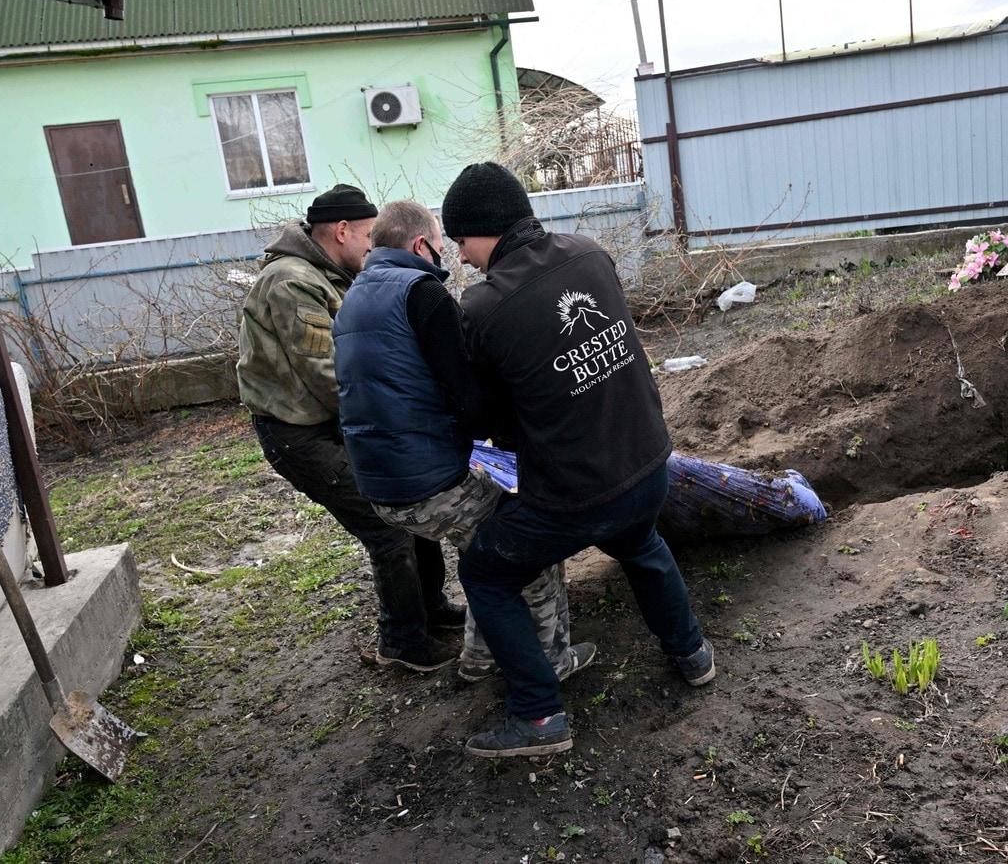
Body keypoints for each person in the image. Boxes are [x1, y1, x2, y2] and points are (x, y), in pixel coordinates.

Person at [443, 162, 714, 758]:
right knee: (640, 542)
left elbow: (482, 415)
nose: (460, 256)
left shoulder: (485, 306)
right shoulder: (590, 254)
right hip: (647, 465)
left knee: (484, 573)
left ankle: (538, 716)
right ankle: (692, 653)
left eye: (461, 241)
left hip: (576, 498)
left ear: (485, 230)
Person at [331, 200, 593, 682]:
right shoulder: (422, 293)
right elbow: (470, 398)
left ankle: (480, 659)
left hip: (381, 486)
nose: (449, 256)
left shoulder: (355, 296)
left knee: (483, 550)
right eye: (439, 244)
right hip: (432, 482)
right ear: (419, 245)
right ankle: (554, 661)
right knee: (530, 539)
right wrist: (521, 440)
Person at [236, 184, 462, 672]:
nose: (373, 248)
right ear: (342, 232)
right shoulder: (291, 282)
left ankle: (431, 609)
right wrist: (396, 421)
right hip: (300, 434)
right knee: (387, 524)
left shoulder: (328, 273)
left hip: (333, 424)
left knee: (409, 502)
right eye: (367, 238)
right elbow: (330, 374)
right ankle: (402, 643)